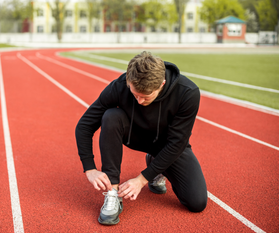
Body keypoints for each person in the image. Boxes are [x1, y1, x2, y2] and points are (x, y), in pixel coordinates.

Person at [75, 51, 207, 225]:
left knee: (197, 202)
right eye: (135, 94)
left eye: (145, 97)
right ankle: (113, 193)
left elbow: (177, 143)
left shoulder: (187, 93)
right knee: (111, 116)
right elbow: (84, 125)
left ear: (162, 84)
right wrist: (89, 168)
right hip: (134, 135)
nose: (138, 101)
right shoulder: (120, 85)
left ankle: (156, 164)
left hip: (167, 144)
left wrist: (142, 179)